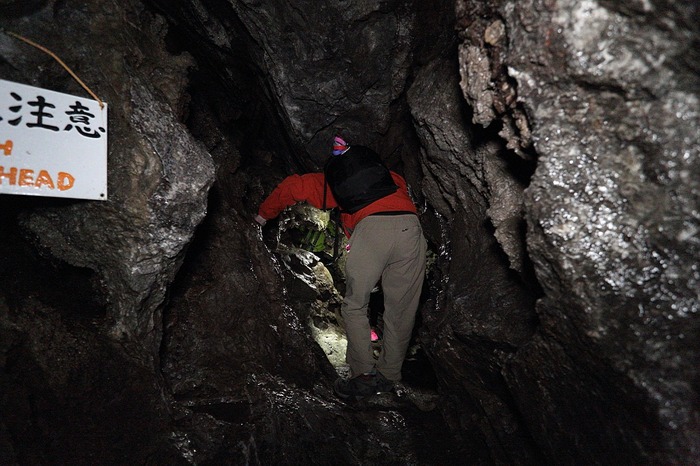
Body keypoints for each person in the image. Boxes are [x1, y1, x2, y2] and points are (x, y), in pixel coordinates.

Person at [255, 136, 427, 400]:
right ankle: (389, 377)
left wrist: (262, 216)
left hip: (371, 229)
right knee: (402, 311)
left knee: (355, 305)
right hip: (411, 228)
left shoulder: (336, 183)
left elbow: (293, 186)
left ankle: (363, 377)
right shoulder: (391, 178)